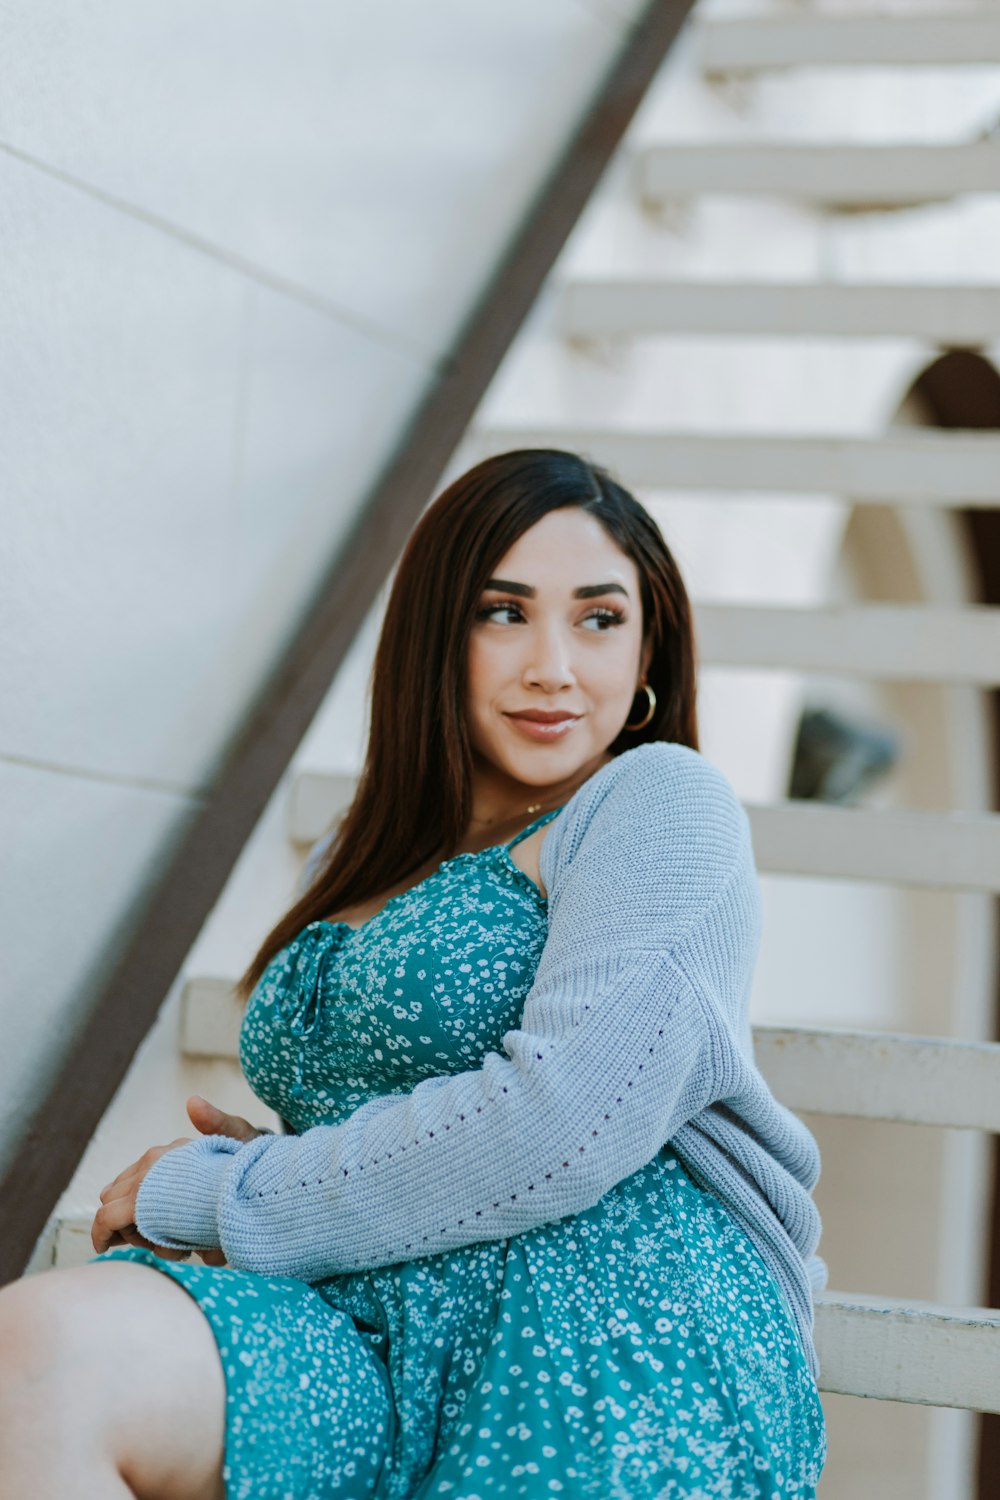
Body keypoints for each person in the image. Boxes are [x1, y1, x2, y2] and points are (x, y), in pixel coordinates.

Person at [0, 450, 827, 1498]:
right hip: (365, 1323)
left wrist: (226, 1192)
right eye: (502, 612)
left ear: (649, 646)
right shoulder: (362, 847)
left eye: (599, 618)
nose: (552, 666)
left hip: (600, 1328)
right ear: (437, 636)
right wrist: (289, 1178)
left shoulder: (659, 801)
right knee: (38, 1365)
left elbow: (561, 1124)